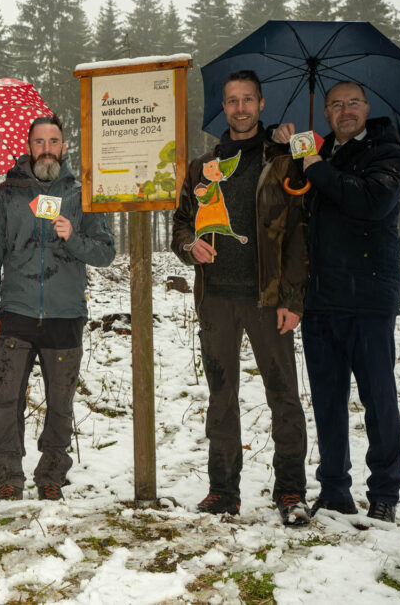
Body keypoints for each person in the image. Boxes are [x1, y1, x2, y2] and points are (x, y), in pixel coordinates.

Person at [171, 70, 310, 526]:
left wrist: (293, 298)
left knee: (283, 395)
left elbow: (296, 234)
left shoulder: (280, 159)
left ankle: (290, 491)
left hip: (267, 299)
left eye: (248, 99)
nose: (241, 108)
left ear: (262, 104)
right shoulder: (202, 165)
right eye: (232, 101)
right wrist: (190, 245)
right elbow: (181, 225)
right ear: (224, 108)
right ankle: (223, 491)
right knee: (221, 396)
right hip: (216, 299)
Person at [272, 81, 400, 523]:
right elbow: (295, 199)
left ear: (367, 108)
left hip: (369, 299)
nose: (344, 111)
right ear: (327, 114)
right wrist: (287, 146)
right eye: (335, 105)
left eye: (352, 103)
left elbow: (369, 202)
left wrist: (313, 163)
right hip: (322, 300)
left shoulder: (388, 152)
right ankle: (333, 489)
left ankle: (384, 492)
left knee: (378, 398)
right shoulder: (320, 153)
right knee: (328, 401)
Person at [0, 115, 115, 503]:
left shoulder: (83, 193)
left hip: (66, 313)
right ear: (29, 146)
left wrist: (73, 238)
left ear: (64, 147)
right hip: (16, 312)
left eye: (54, 141)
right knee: (6, 400)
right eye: (39, 142)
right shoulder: (6, 194)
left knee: (60, 403)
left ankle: (52, 474)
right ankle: (8, 477)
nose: (47, 149)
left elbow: (106, 252)